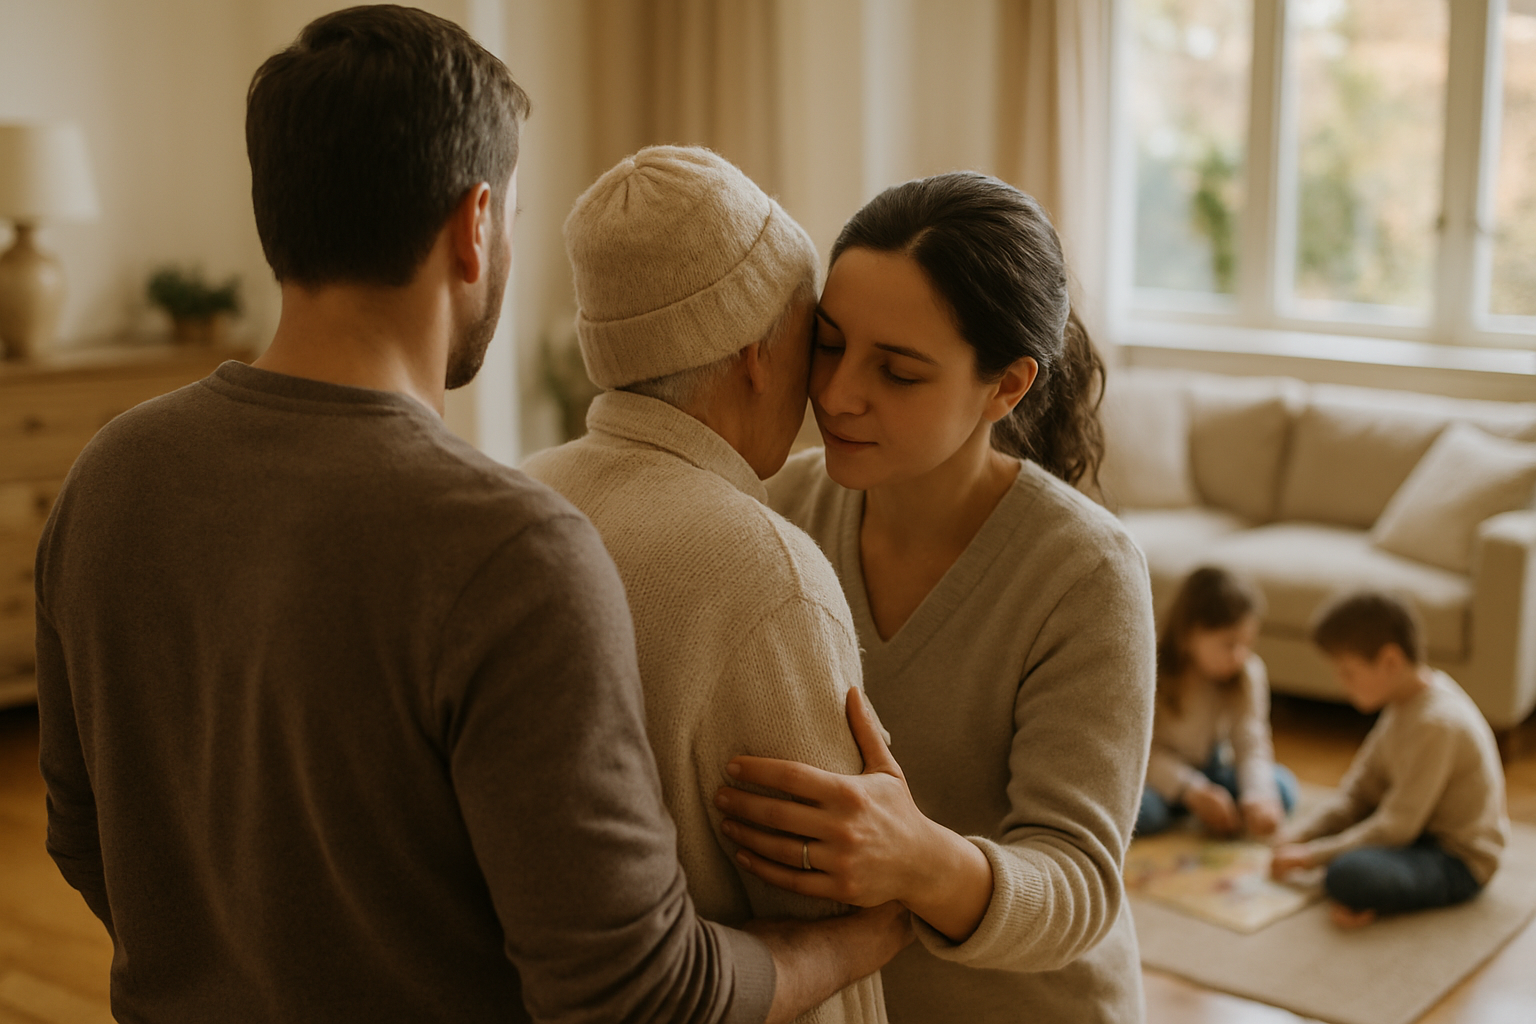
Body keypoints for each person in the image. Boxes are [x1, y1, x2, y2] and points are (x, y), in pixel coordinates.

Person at [34, 9, 904, 1023]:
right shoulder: (510, 551)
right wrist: (861, 933)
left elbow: (83, 833)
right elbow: (635, 995)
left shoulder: (110, 475)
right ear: (474, 224)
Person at [710, 172, 1156, 1022]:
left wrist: (917, 860)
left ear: (1006, 386)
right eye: (829, 344)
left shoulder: (1086, 573)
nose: (836, 394)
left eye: (898, 372)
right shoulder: (774, 512)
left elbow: (1078, 883)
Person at [524, 144, 895, 1024]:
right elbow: (833, 930)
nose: (827, 387)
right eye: (813, 337)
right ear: (756, 354)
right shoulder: (767, 573)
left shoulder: (515, 494)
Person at [1270, 591, 1509, 928]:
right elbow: (1358, 794)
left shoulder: (1436, 724)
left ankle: (1379, 898)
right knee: (1349, 835)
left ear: (1390, 661)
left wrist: (1311, 857)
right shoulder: (1401, 704)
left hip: (1454, 857)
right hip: (1415, 832)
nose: (1341, 683)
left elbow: (1396, 828)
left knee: (1346, 874)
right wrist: (1302, 835)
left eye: (1348, 672)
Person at [1136, 566, 1297, 837]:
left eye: (1247, 643)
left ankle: (1202, 808)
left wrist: (1258, 797)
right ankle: (1189, 806)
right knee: (1145, 812)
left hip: (1211, 768)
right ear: (1189, 635)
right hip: (1159, 772)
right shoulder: (1153, 672)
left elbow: (1250, 743)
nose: (1240, 655)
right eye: (1229, 644)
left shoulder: (1247, 673)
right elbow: (1146, 756)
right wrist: (1192, 790)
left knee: (1282, 788)